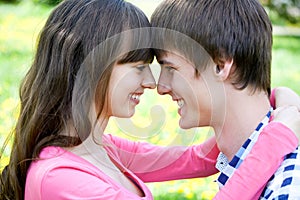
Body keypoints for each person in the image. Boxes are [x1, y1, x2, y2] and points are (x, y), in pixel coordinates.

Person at [0, 0, 299, 199]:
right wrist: (278, 138)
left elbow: (197, 159)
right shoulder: (61, 179)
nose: (151, 82)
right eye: (139, 67)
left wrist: (274, 102)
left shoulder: (101, 149)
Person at [151, 0, 300, 199]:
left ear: (220, 66)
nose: (161, 87)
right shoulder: (240, 155)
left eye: (170, 68)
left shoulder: (286, 189)